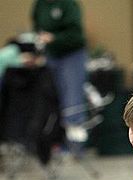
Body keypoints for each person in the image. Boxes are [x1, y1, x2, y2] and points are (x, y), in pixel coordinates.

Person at [31, 0, 88, 156]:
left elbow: (76, 34)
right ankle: (57, 143)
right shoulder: (40, 4)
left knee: (72, 100)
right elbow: (36, 26)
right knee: (52, 99)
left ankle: (76, 146)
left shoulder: (68, 4)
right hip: (51, 55)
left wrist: (55, 37)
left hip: (72, 54)